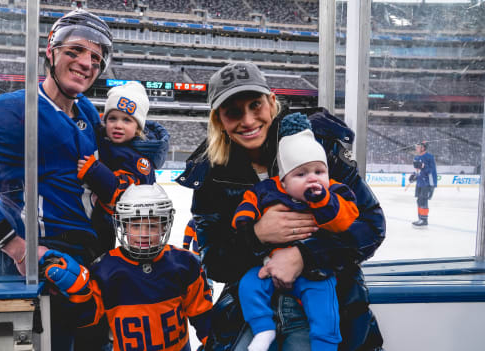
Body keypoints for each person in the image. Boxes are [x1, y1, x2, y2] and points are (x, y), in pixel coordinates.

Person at [0, 9, 114, 349]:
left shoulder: (86, 110)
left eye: (95, 58)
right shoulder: (17, 111)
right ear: (51, 50)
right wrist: (17, 247)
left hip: (87, 268)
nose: (86, 62)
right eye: (75, 51)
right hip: (42, 270)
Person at [176, 62, 385, 351]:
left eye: (255, 105)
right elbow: (215, 262)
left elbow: (371, 227)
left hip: (334, 295)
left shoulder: (318, 145)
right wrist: (256, 235)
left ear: (272, 102)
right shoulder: (211, 174)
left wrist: (304, 255)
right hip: (253, 306)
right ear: (218, 119)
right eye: (233, 112)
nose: (248, 120)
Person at [232, 113, 359, 351]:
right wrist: (247, 224)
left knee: (324, 307)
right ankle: (263, 330)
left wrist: (323, 201)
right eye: (301, 174)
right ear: (284, 180)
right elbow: (249, 202)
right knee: (249, 285)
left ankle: (325, 345)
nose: (312, 179)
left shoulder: (336, 193)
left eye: (319, 172)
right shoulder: (269, 190)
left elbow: (346, 221)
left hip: (316, 271)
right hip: (270, 265)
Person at [39, 184, 213, 351]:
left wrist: (213, 345)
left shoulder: (185, 264)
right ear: (123, 225)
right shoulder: (105, 269)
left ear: (165, 226)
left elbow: (204, 318)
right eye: (135, 225)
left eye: (152, 226)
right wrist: (79, 292)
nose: (143, 234)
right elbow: (86, 320)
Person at [77, 81, 169, 249]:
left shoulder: (140, 161)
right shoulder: (109, 142)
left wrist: (94, 171)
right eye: (112, 118)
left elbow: (123, 193)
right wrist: (78, 96)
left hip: (108, 222)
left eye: (127, 120)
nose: (118, 125)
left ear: (138, 128)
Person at [411, 141, 437, 228]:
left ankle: (424, 219)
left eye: (419, 147)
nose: (417, 148)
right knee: (419, 201)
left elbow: (431, 171)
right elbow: (417, 171)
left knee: (423, 201)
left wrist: (423, 166)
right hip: (419, 183)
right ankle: (420, 218)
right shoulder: (417, 157)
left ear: (423, 148)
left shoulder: (429, 157)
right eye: (416, 147)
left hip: (427, 183)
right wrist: (413, 176)